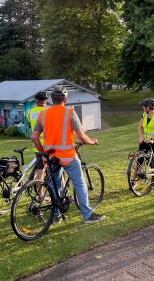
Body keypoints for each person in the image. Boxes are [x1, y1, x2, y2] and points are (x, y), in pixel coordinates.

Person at [31, 86, 105, 224]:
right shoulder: (70, 112)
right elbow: (81, 136)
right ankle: (87, 215)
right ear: (65, 99)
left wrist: (43, 152)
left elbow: (34, 137)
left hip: (51, 156)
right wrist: (92, 142)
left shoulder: (43, 114)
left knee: (55, 185)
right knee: (80, 183)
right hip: (68, 155)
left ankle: (56, 216)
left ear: (52, 100)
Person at [26, 91, 48, 181]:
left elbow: (30, 125)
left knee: (40, 169)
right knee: (51, 169)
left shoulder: (30, 112)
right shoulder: (48, 111)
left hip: (37, 144)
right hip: (48, 145)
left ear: (36, 100)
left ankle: (40, 194)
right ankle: (55, 193)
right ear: (46, 100)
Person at [137, 98, 154, 167]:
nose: (142, 108)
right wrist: (140, 137)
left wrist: (151, 138)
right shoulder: (144, 115)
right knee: (139, 158)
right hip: (145, 139)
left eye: (144, 106)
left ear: (148, 107)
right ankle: (135, 176)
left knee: (152, 161)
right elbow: (140, 127)